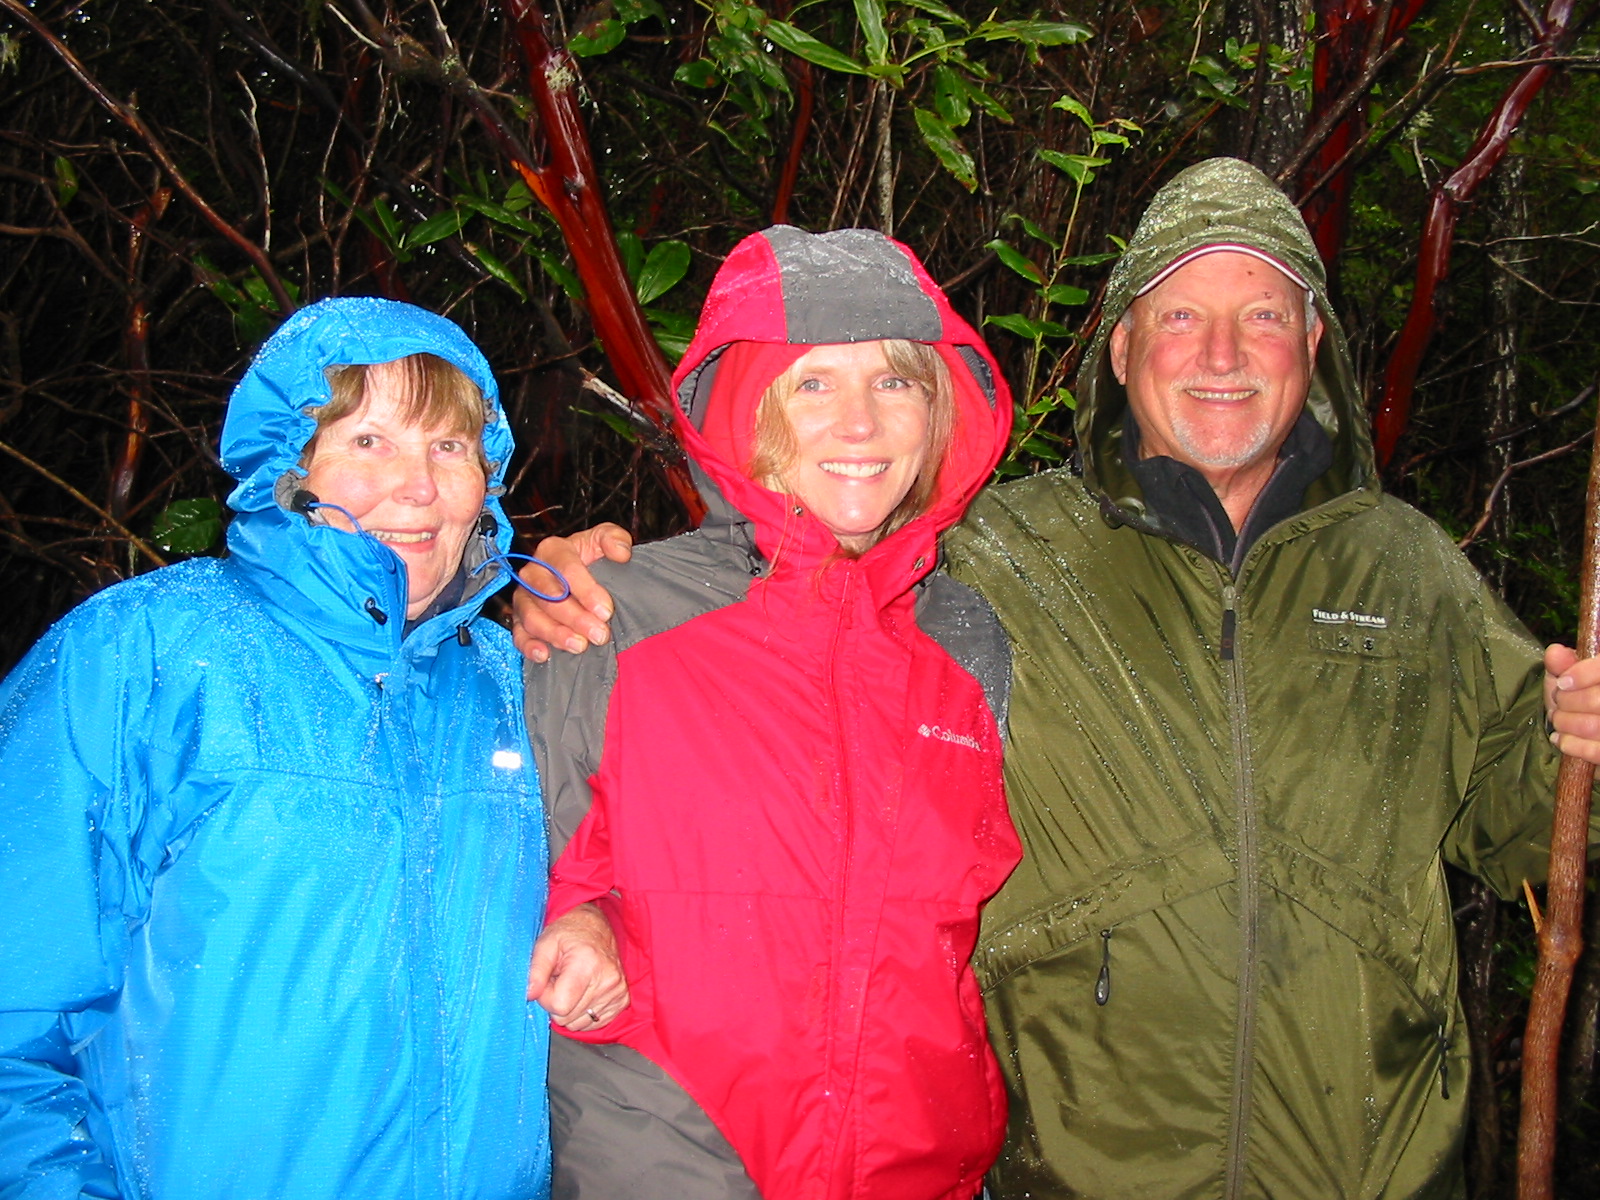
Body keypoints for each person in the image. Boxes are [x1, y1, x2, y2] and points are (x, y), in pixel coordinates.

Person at [513, 160, 1600, 1199]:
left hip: (1373, 1166)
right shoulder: (1001, 554)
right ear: (1121, 350)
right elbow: (819, 569)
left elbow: (1525, 826)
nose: (1220, 351)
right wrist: (583, 572)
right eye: (1178, 316)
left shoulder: (1409, 569)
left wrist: (1573, 738)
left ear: (1313, 344)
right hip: (1077, 1168)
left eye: (1263, 315)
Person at [0, 297, 620, 1200]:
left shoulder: (513, 684)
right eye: (369, 442)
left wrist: (598, 919)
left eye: (450, 447)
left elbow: (652, 872)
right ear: (288, 465)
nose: (417, 486)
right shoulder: (146, 654)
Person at [522, 225, 1021, 1200]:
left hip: (916, 1166)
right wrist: (574, 920)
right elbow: (516, 853)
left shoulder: (967, 643)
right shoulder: (616, 612)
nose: (861, 425)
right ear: (751, 410)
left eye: (895, 382)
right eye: (813, 384)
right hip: (668, 1154)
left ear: (940, 413)